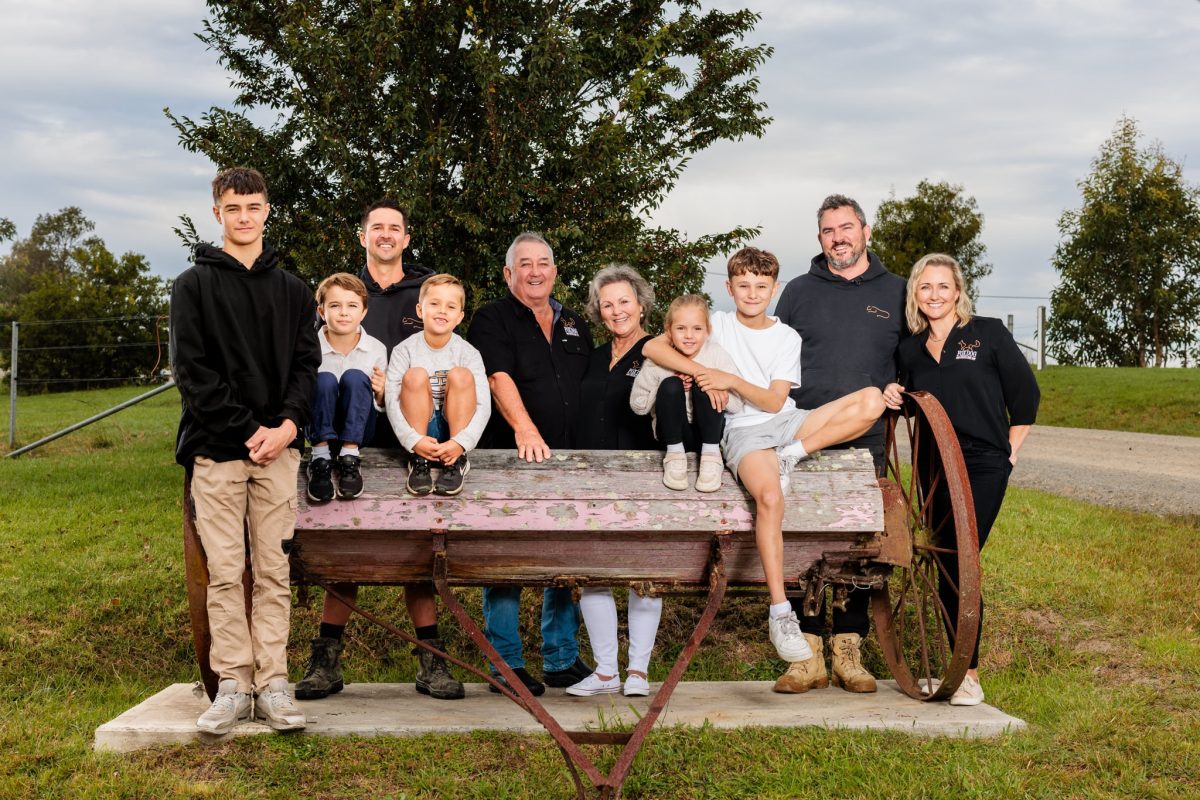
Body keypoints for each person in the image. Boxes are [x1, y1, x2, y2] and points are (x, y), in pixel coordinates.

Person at [643, 247, 886, 666]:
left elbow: (775, 402)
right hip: (742, 430)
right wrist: (702, 374)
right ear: (729, 288)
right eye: (743, 286)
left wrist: (730, 379)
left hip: (786, 422)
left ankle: (795, 454)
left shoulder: (785, 336)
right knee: (771, 499)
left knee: (871, 400)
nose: (752, 294)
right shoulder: (715, 325)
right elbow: (651, 347)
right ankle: (779, 613)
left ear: (775, 289)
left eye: (761, 286)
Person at [171, 166, 320, 734]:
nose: (244, 217)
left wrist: (285, 426)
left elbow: (307, 365)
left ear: (266, 211)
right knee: (227, 572)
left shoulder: (293, 289)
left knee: (275, 572)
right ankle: (233, 686)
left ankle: (274, 684)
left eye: (253, 207)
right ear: (218, 214)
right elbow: (193, 372)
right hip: (217, 450)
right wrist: (246, 431)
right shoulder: (192, 286)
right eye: (233, 209)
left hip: (279, 452)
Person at [296, 200, 463, 702]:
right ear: (363, 236)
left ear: (407, 238)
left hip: (412, 443)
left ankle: (432, 663)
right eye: (377, 228)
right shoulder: (344, 292)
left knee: (419, 557)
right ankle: (325, 661)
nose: (386, 235)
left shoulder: (427, 291)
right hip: (353, 444)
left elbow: (449, 356)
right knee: (346, 557)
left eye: (395, 228)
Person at [884, 253, 1039, 706]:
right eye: (925, 287)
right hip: (933, 467)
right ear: (915, 293)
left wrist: (1007, 454)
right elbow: (902, 397)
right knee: (949, 563)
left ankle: (968, 674)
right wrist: (893, 389)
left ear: (958, 292)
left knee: (960, 559)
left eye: (943, 287)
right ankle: (958, 669)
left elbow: (1025, 397)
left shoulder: (986, 333)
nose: (934, 295)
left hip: (982, 463)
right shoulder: (909, 349)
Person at [772, 194, 907, 695]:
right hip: (801, 433)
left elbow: (910, 358)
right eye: (829, 231)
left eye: (846, 228)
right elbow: (774, 354)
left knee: (857, 545)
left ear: (865, 231)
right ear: (820, 238)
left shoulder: (896, 292)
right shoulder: (800, 292)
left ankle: (849, 650)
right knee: (797, 537)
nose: (839, 238)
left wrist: (902, 388)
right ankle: (806, 655)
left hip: (864, 441)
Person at [467, 231, 594, 696]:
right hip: (510, 458)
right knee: (506, 561)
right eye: (525, 263)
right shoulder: (491, 318)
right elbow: (497, 377)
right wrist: (525, 428)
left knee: (563, 560)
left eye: (544, 262)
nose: (535, 271)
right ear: (508, 273)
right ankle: (506, 665)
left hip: (569, 462)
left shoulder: (575, 322)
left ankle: (561, 658)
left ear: (555, 271)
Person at [566, 265, 662, 698]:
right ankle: (606, 671)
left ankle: (638, 671)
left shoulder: (659, 350)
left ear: (641, 304)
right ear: (598, 311)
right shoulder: (591, 355)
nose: (616, 310)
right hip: (591, 479)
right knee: (593, 573)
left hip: (644, 477)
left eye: (624, 301)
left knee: (644, 574)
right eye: (607, 304)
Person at [385, 274, 491, 496]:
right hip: (420, 429)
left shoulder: (468, 353)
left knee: (461, 375)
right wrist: (413, 441)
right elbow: (392, 402)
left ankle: (455, 461)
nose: (442, 311)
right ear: (420, 310)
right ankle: (420, 460)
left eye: (450, 306)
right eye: (434, 304)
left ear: (460, 317)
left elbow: (484, 405)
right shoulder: (404, 350)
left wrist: (461, 443)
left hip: (455, 429)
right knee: (414, 376)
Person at [630, 294, 742, 492]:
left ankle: (711, 457)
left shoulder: (716, 355)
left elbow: (737, 404)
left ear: (707, 330)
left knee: (706, 382)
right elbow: (638, 407)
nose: (689, 335)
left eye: (697, 329)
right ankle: (674, 457)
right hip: (672, 435)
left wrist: (717, 387)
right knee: (671, 384)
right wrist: (664, 384)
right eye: (681, 328)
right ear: (669, 331)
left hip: (707, 434)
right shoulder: (658, 360)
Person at [306, 273, 387, 502]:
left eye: (352, 305)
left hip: (359, 431)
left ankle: (350, 458)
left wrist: (381, 393)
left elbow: (379, 406)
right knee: (323, 379)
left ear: (363, 312)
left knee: (354, 376)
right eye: (335, 305)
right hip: (320, 426)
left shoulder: (376, 349)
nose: (343, 312)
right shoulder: (309, 347)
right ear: (321, 311)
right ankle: (319, 459)